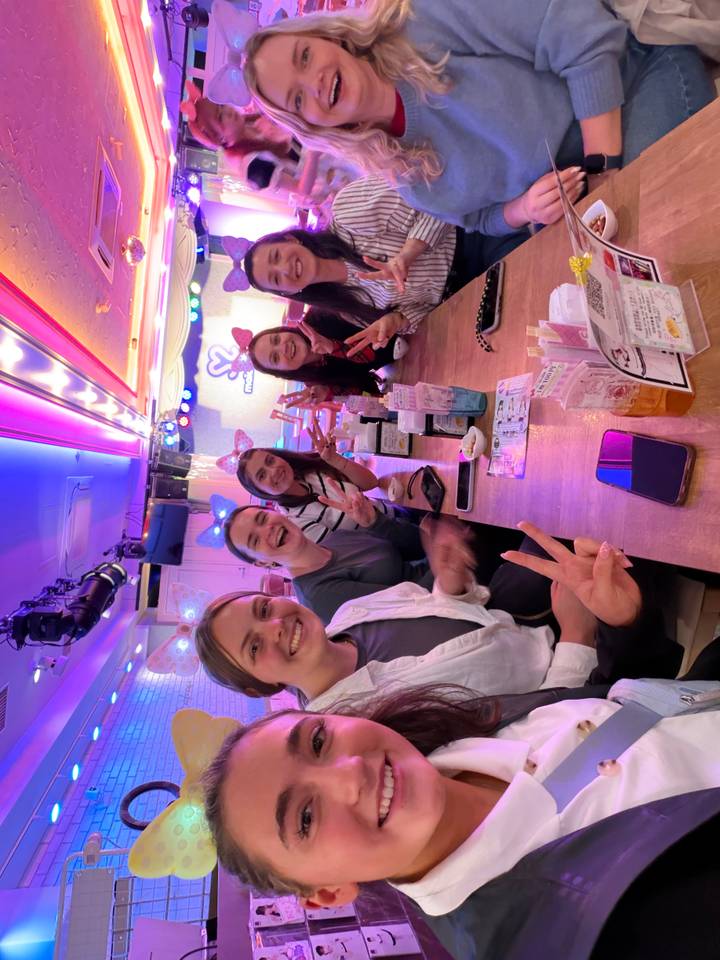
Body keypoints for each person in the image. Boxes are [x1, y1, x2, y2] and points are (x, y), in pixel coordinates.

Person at [202, 672, 720, 960]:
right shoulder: (562, 937)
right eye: (306, 818)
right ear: (327, 893)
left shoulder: (464, 730)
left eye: (318, 740)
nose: (350, 773)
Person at [238, 0, 713, 242]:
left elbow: (582, 35)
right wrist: (524, 209)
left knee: (653, 232)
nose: (316, 82)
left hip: (639, 78)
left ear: (327, 37)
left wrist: (607, 174)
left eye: (304, 55)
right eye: (298, 99)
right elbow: (476, 220)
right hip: (592, 178)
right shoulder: (397, 171)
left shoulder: (420, 17)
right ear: (312, 126)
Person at [194, 520, 685, 706]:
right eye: (255, 646)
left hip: (529, 627)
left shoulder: (345, 618)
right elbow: (533, 729)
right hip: (584, 681)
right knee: (628, 571)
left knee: (592, 532)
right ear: (261, 685)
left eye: (263, 609)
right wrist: (578, 632)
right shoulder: (370, 720)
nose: (277, 626)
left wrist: (449, 584)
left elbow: (440, 611)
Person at [227, 175, 497, 358]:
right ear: (288, 292)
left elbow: (432, 196)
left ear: (290, 239)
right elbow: (423, 310)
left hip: (474, 233)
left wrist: (408, 254)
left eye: (276, 256)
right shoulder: (347, 308)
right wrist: (397, 320)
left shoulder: (347, 214)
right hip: (462, 296)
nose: (285, 269)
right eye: (276, 279)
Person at [222, 499, 554, 626]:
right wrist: (442, 561)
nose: (268, 531)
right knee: (547, 539)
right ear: (264, 564)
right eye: (255, 540)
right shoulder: (320, 596)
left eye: (263, 519)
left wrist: (375, 522)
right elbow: (407, 612)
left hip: (464, 559)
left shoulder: (330, 541)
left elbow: (410, 547)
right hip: (469, 601)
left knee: (517, 503)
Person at [236, 422, 401, 543]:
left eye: (270, 461)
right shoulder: (295, 521)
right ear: (260, 491)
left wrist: (335, 460)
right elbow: (353, 550)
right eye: (262, 475)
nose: (273, 471)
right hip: (392, 541)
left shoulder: (308, 471)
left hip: (397, 512)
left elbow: (371, 483)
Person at [249, 311, 394, 402]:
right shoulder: (314, 382)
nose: (283, 347)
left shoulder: (321, 314)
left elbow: (376, 347)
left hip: (403, 332)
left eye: (276, 340)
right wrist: (330, 393)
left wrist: (333, 346)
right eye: (275, 358)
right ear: (282, 371)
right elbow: (372, 397)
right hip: (401, 369)